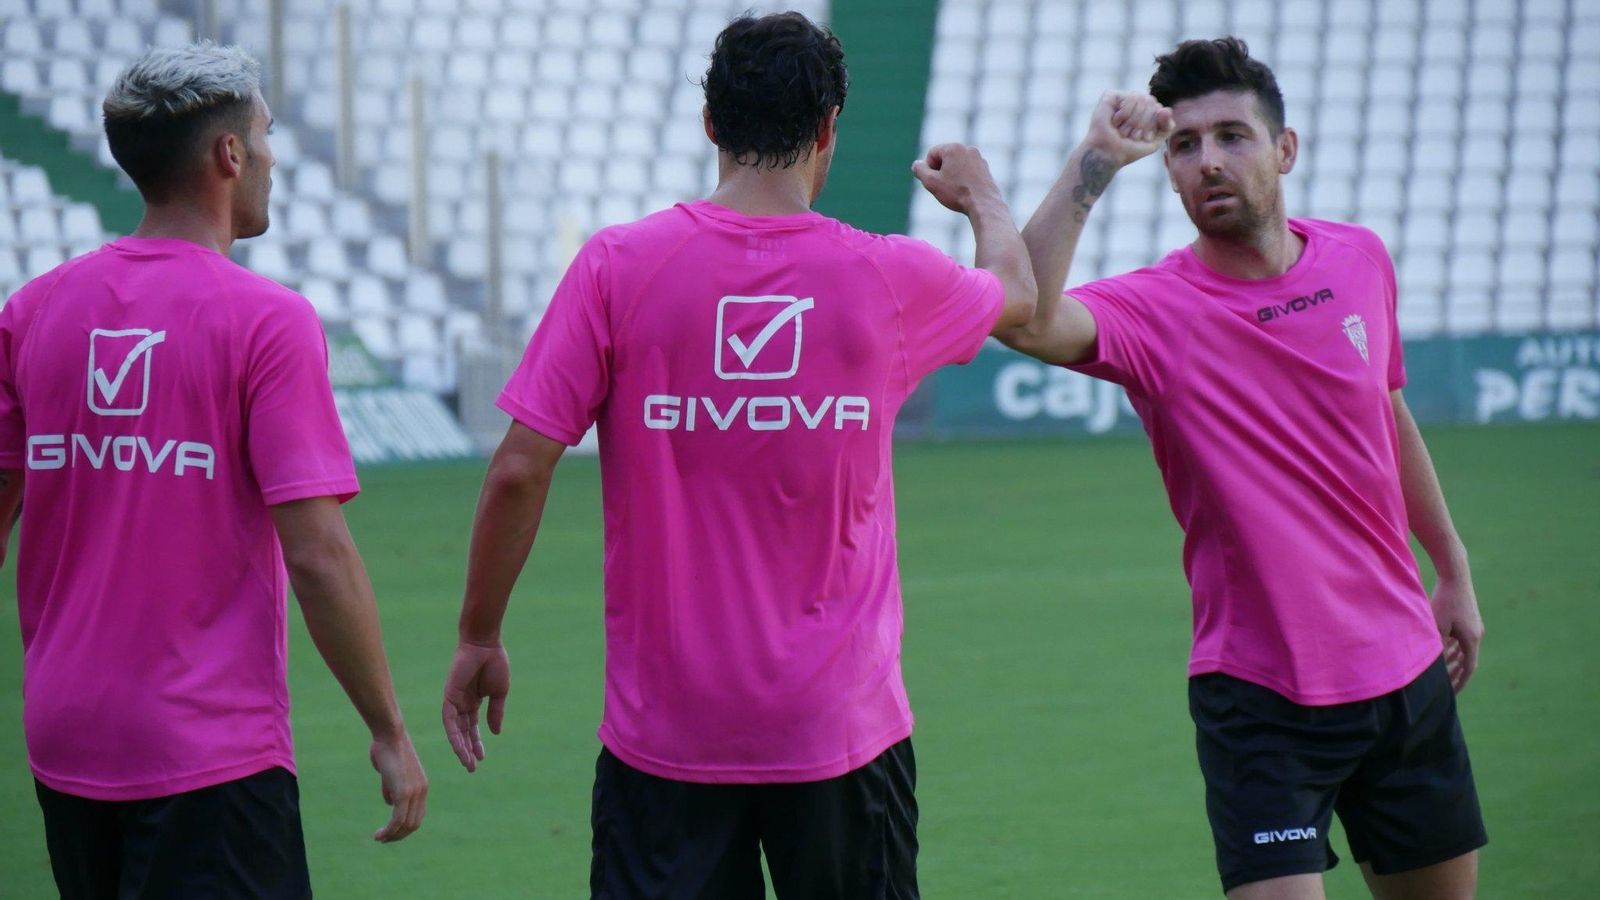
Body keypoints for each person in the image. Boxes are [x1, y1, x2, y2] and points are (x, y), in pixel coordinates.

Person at [438, 10, 1116, 898]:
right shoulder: (888, 275)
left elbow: (522, 466)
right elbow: (1021, 296)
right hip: (840, 732)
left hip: (666, 739)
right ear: (830, 128)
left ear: (711, 124)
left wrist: (480, 633)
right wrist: (982, 196)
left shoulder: (616, 265)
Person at [997, 37, 1487, 899]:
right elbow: (1024, 318)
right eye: (1184, 146)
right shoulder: (1155, 310)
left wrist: (1451, 567)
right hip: (1260, 699)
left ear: (1284, 149)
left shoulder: (1360, 259)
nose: (1206, 161)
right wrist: (1098, 159)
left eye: (1232, 136)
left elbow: (1390, 412)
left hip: (1407, 678)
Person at [0, 43, 427, 898]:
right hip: (208, 753)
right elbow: (317, 556)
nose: (272, 159)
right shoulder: (266, 322)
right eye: (264, 137)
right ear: (229, 156)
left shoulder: (34, 310)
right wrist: (387, 728)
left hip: (64, 741)